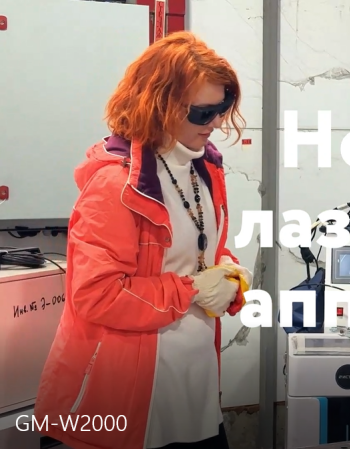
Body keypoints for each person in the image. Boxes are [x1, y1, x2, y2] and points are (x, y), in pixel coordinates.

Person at [34, 31, 252, 449]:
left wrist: (228, 273)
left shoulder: (205, 169)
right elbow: (97, 294)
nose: (217, 122)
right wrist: (192, 290)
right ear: (160, 104)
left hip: (195, 393)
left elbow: (197, 249)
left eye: (222, 108)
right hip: (125, 402)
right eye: (204, 112)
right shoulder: (114, 185)